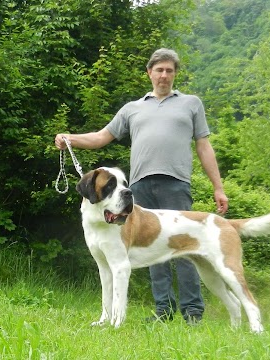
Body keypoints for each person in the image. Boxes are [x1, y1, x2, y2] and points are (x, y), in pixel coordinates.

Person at [55, 48, 229, 325]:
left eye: (169, 70)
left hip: (176, 183)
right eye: (159, 70)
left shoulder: (191, 104)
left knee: (186, 249)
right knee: (152, 251)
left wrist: (218, 187)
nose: (164, 75)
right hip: (137, 187)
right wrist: (70, 138)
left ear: (175, 74)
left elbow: (203, 146)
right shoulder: (132, 109)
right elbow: (101, 137)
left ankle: (193, 312)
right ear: (149, 73)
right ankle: (163, 311)